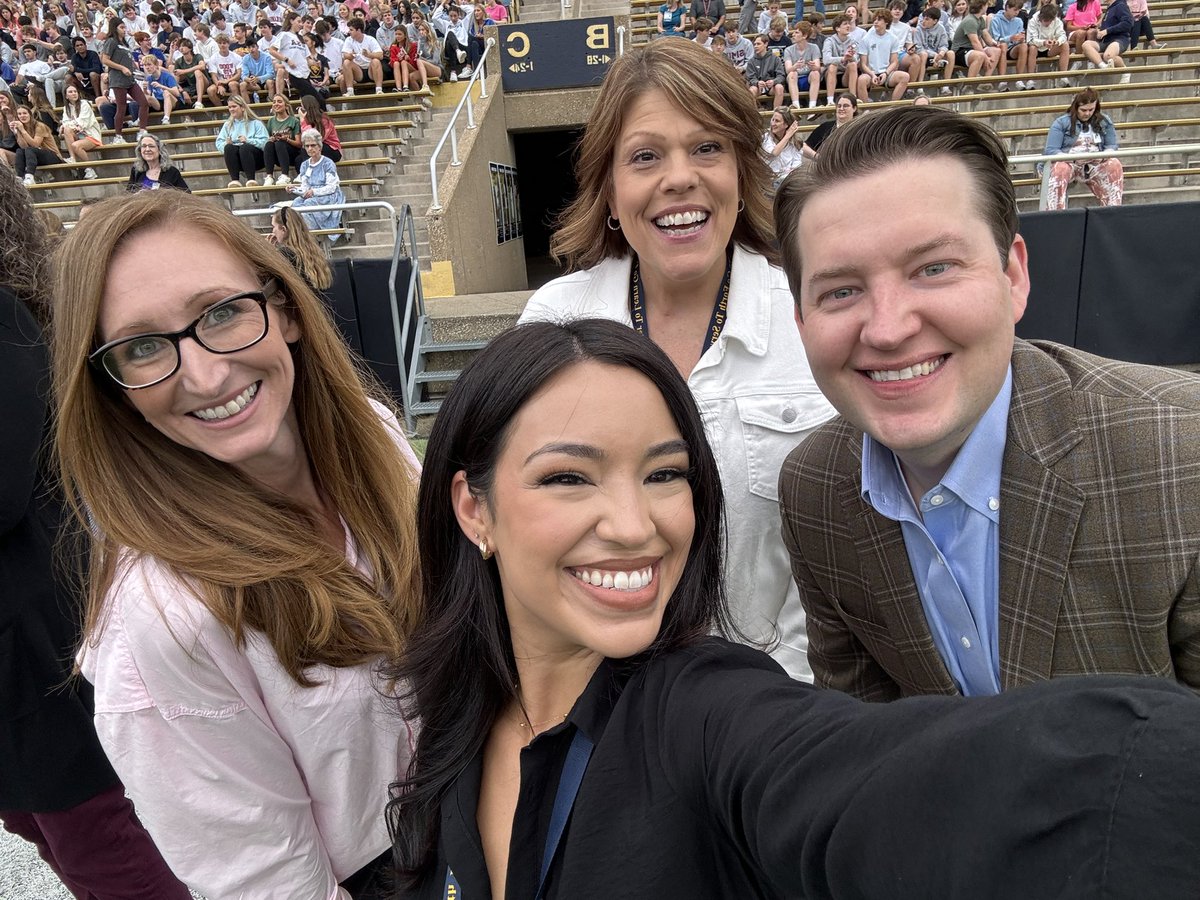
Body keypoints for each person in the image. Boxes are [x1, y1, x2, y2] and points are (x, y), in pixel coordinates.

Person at [386, 315, 1200, 899]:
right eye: (569, 477)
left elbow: (875, 784)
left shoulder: (708, 712)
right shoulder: (449, 726)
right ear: (473, 509)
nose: (637, 526)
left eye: (666, 474)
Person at [50, 189, 422, 899]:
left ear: (283, 309)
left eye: (221, 313)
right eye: (142, 347)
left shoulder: (375, 436)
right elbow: (271, 883)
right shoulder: (161, 624)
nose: (206, 374)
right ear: (111, 387)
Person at [774, 104, 1199, 700]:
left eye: (934, 268)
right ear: (800, 319)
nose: (888, 329)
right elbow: (864, 738)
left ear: (1014, 276)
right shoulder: (813, 490)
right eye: (841, 291)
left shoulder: (1183, 457)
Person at [519, 39, 835, 680]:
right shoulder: (552, 321)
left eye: (708, 148)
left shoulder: (810, 323)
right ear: (608, 188)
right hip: (595, 705)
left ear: (743, 172)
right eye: (645, 156)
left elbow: (843, 549)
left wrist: (775, 690)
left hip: (769, 708)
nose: (680, 177)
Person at [0, 161, 193, 900]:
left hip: (35, 646)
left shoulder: (1, 314)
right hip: (19, 660)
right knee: (40, 826)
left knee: (100, 846)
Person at [1042, 86, 1123, 208]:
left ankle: (1112, 210)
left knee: (1114, 164)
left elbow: (1111, 145)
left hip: (1094, 164)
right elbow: (1051, 150)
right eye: (1083, 110)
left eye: (1091, 110)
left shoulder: (1104, 121)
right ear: (1076, 107)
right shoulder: (1061, 122)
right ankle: (1056, 214)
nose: (1087, 113)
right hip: (1069, 163)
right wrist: (1072, 158)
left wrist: (1105, 155)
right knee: (1060, 169)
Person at [290, 126, 346, 239]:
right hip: (312, 195)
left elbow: (331, 187)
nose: (310, 148)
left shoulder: (328, 163)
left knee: (308, 204)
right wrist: (295, 189)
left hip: (328, 196)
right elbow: (305, 187)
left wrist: (314, 192)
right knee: (296, 204)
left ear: (319, 146)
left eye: (313, 145)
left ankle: (314, 236)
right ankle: (300, 235)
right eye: (307, 146)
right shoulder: (304, 165)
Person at [99, 18, 149, 141]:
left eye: (124, 27)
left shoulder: (124, 43)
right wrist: (121, 68)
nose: (124, 30)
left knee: (144, 102)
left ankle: (142, 130)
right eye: (121, 27)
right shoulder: (111, 41)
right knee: (121, 107)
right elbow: (105, 60)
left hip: (129, 78)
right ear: (114, 28)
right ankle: (118, 136)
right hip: (118, 79)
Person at [270, 202, 333, 291]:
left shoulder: (286, 253)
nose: (273, 231)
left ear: (283, 229)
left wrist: (269, 252)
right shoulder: (312, 249)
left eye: (273, 227)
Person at [216, 94, 269, 188]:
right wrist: (226, 144)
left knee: (245, 147)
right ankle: (235, 180)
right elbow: (219, 143)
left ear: (243, 107)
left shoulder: (256, 123)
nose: (231, 109)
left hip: (256, 159)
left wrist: (248, 140)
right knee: (229, 148)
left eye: (234, 106)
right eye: (229, 107)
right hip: (238, 160)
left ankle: (251, 179)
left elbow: (265, 142)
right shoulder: (228, 125)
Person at [856, 9, 909, 101]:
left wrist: (885, 73)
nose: (875, 22)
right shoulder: (866, 39)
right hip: (870, 73)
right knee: (861, 80)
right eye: (875, 20)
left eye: (879, 20)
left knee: (905, 77)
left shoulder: (893, 39)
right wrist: (872, 74)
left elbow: (894, 61)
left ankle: (892, 106)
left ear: (886, 22)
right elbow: (863, 64)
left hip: (887, 73)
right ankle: (866, 109)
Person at [59, 82, 102, 181]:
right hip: (78, 135)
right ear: (66, 96)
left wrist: (66, 125)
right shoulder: (66, 108)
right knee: (66, 129)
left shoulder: (85, 104)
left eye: (75, 91)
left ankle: (89, 168)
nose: (74, 93)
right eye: (70, 92)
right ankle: (72, 158)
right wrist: (65, 125)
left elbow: (83, 123)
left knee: (75, 145)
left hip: (90, 135)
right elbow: (65, 121)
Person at [12, 104, 62, 188]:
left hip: (52, 155)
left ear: (30, 115)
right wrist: (17, 133)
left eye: (25, 113)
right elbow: (23, 146)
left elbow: (35, 144)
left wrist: (22, 130)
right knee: (19, 151)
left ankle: (30, 177)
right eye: (19, 114)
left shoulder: (40, 126)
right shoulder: (21, 127)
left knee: (30, 150)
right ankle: (19, 177)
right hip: (36, 155)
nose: (22, 116)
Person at [126, 129, 190, 191]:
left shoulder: (172, 172)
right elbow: (128, 194)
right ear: (140, 151)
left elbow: (186, 194)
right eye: (144, 146)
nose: (147, 149)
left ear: (159, 150)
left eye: (151, 146)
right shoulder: (136, 171)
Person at [1080, 0, 1132, 76]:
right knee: (1086, 45)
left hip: (1119, 39)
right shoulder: (1110, 8)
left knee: (1108, 56)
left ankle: (1125, 72)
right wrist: (1099, 31)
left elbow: (1127, 23)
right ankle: (1103, 66)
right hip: (1105, 41)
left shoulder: (1121, 5)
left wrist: (1107, 31)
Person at [801, 91, 856, 159]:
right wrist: (818, 157)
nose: (841, 109)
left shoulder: (859, 128)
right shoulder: (825, 127)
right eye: (839, 106)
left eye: (845, 106)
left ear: (854, 108)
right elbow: (804, 147)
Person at [1028, 2, 1072, 87]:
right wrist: (1043, 42)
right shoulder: (1033, 21)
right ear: (1041, 18)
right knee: (1032, 48)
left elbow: (1062, 35)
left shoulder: (1057, 21)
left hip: (1050, 49)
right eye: (1045, 21)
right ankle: (1030, 79)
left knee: (1065, 45)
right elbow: (1030, 40)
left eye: (1050, 21)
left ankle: (1063, 76)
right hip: (1036, 49)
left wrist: (1057, 42)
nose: (1047, 23)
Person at [262, 92, 302, 186]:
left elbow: (299, 144)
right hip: (277, 154)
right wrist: (271, 139)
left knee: (280, 143)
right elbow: (268, 138)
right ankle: (269, 176)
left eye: (279, 101)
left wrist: (286, 139)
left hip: (291, 153)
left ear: (286, 105)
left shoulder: (294, 121)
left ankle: (285, 175)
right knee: (269, 144)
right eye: (274, 102)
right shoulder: (271, 121)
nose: (276, 104)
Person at [821, 14, 860, 108]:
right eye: (845, 24)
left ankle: (853, 97)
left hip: (845, 75)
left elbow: (857, 59)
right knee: (832, 66)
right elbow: (826, 60)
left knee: (853, 65)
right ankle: (830, 100)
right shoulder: (829, 41)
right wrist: (843, 58)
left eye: (849, 24)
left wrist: (850, 57)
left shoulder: (852, 41)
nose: (848, 26)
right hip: (830, 74)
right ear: (838, 28)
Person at [783, 21, 821, 110]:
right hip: (794, 79)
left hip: (808, 79)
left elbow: (818, 67)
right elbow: (788, 70)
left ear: (804, 36)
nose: (793, 35)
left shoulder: (814, 47)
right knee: (792, 73)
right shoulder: (788, 50)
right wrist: (795, 66)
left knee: (815, 73)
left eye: (796, 32)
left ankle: (812, 106)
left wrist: (813, 66)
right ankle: (796, 105)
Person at [763, 105, 803, 188]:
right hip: (769, 181)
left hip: (788, 180)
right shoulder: (766, 138)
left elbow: (797, 164)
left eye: (777, 121)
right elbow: (773, 153)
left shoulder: (795, 142)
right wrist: (787, 135)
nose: (773, 123)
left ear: (786, 125)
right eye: (772, 120)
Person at [300, 92, 342, 161]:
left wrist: (303, 121)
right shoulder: (308, 120)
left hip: (332, 149)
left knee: (308, 148)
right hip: (317, 147)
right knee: (298, 160)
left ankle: (312, 170)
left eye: (301, 107)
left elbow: (317, 138)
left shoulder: (324, 119)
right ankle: (308, 170)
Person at [746, 34, 785, 108]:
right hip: (758, 87)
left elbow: (781, 75)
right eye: (754, 44)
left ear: (766, 44)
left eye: (758, 44)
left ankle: (776, 114)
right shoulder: (751, 61)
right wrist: (757, 82)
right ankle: (754, 115)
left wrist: (774, 81)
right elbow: (750, 77)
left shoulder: (775, 59)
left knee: (779, 87)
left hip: (772, 86)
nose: (756, 46)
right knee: (751, 90)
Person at [141, 53, 181, 124]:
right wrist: (144, 89)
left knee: (166, 93)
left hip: (174, 100)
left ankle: (166, 118)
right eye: (145, 65)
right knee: (146, 97)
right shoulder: (149, 78)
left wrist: (161, 86)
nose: (147, 67)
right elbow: (148, 94)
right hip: (160, 102)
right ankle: (140, 120)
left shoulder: (167, 76)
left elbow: (177, 93)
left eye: (149, 64)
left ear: (156, 65)